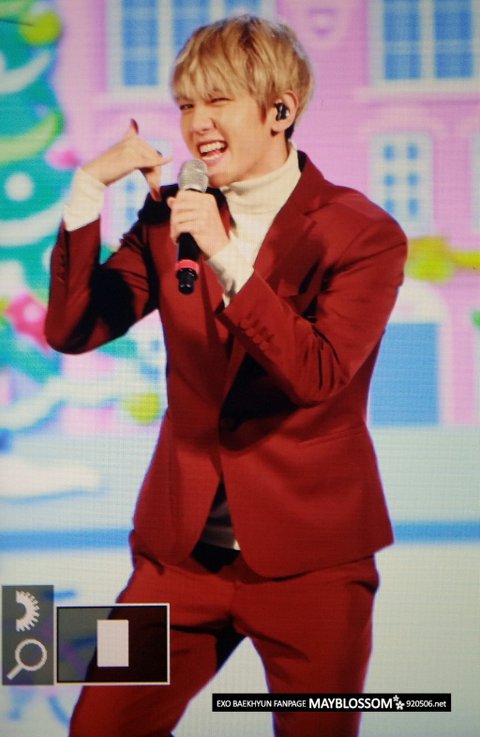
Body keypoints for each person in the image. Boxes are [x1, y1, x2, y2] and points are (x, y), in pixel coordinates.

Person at [46, 14, 407, 737]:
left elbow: (317, 374)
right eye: (186, 105)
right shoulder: (169, 217)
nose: (197, 124)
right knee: (98, 726)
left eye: (217, 101)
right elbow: (73, 329)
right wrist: (87, 188)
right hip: (180, 558)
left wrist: (224, 255)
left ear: (280, 111)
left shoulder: (363, 232)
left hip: (314, 566)